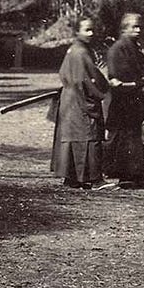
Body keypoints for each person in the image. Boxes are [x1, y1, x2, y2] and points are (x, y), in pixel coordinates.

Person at [49, 14, 115, 191]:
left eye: (92, 29)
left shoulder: (74, 50)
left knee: (74, 136)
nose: (91, 33)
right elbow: (89, 79)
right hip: (79, 98)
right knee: (90, 135)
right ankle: (95, 179)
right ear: (77, 32)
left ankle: (72, 178)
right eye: (86, 29)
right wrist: (105, 89)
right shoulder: (80, 53)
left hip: (70, 99)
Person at [103, 10, 144, 187]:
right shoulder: (117, 49)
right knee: (125, 139)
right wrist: (142, 82)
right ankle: (125, 175)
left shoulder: (135, 48)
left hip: (137, 103)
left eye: (140, 26)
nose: (138, 30)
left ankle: (135, 175)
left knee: (138, 139)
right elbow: (120, 76)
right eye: (134, 26)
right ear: (125, 28)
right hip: (123, 103)